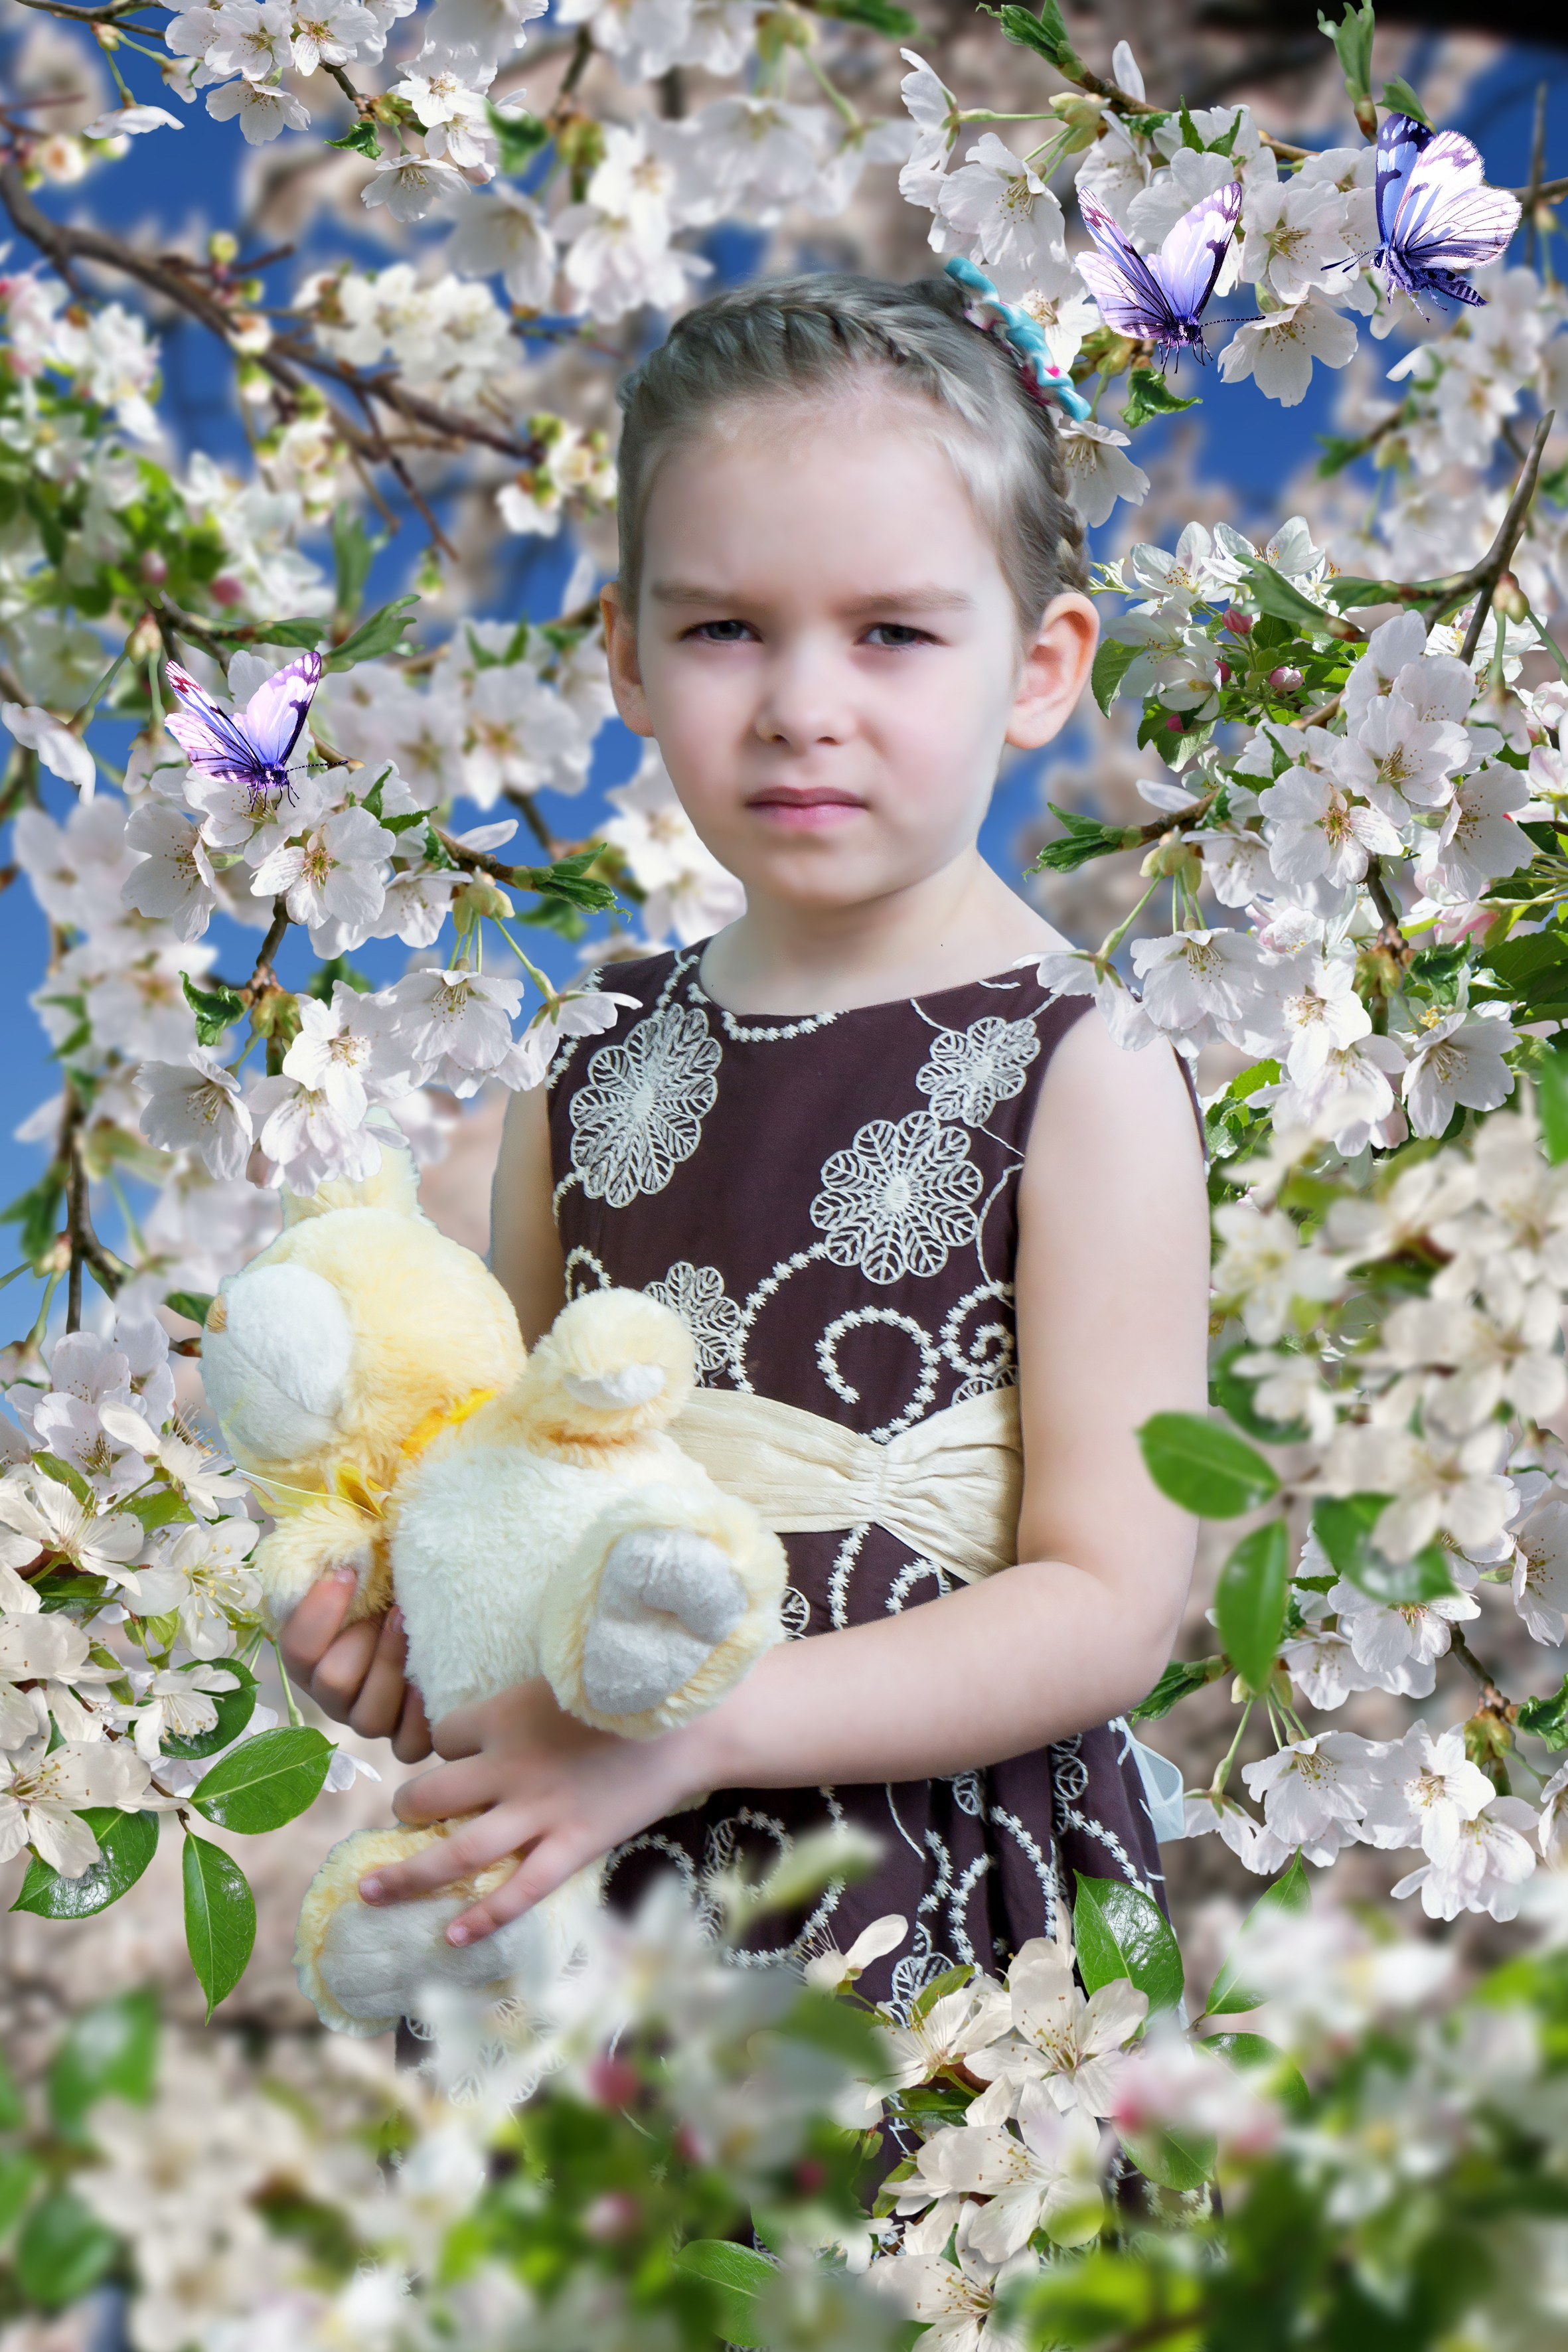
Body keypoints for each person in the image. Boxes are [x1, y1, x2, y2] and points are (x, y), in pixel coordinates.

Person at [279, 272, 1210, 2011]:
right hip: (597, 1896)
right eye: (723, 628)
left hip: (926, 1903)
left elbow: (1108, 1599)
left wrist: (694, 1734)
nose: (799, 703)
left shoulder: (1082, 1066)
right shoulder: (587, 1055)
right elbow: (522, 1474)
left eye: (892, 633)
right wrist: (403, 1626)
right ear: (627, 655)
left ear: (1039, 667)